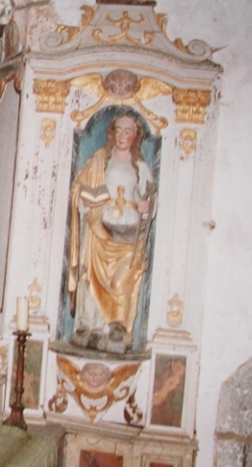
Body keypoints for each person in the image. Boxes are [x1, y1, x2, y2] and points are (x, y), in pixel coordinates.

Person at [67, 112, 156, 348]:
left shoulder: (140, 167)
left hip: (128, 230)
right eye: (118, 130)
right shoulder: (100, 160)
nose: (122, 136)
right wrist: (86, 200)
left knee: (120, 281)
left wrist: (147, 206)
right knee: (91, 277)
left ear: (136, 136)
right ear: (112, 133)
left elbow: (149, 196)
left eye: (128, 132)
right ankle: (90, 326)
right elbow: (78, 187)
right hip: (99, 225)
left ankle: (115, 328)